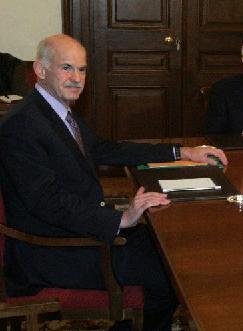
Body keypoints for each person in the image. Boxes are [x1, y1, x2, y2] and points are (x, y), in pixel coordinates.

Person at [0, 34, 228, 330]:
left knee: (175, 249)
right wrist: (120, 218)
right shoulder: (21, 124)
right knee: (174, 273)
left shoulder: (55, 111)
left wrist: (182, 152)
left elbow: (108, 149)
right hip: (52, 251)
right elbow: (48, 202)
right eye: (66, 68)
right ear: (41, 71)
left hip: (80, 229)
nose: (76, 78)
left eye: (82, 70)